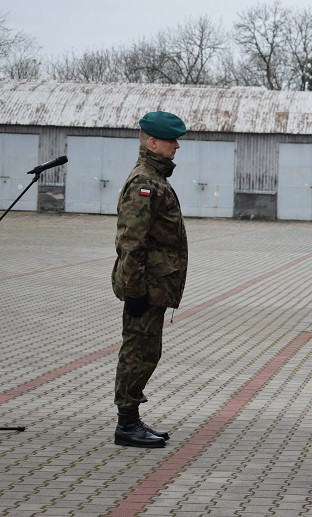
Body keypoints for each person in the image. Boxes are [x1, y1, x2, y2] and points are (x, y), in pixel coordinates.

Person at [112, 111, 188, 448]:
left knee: (147, 352)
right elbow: (131, 241)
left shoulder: (156, 179)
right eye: (171, 141)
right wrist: (135, 289)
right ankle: (126, 425)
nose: (176, 146)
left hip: (154, 284)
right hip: (144, 285)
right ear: (153, 143)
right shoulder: (144, 183)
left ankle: (131, 419)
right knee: (138, 352)